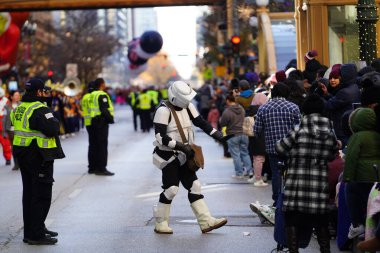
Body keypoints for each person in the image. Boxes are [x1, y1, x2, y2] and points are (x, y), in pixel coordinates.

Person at [152, 80, 227, 234]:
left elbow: (201, 123)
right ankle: (161, 222)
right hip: (168, 155)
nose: (187, 102)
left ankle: (206, 221)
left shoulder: (188, 106)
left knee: (195, 186)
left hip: (185, 155)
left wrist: (217, 135)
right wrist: (180, 146)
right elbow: (160, 137)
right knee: (171, 189)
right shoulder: (163, 110)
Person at [275, 94, 338, 253]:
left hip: (297, 187)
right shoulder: (330, 133)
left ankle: (294, 251)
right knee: (321, 222)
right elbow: (332, 155)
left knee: (292, 220)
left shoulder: (298, 130)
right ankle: (325, 250)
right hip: (319, 187)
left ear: (305, 110)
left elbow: (280, 148)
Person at [11, 78, 65, 245]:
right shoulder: (39, 109)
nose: (46, 94)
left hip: (23, 153)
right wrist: (52, 115)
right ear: (39, 92)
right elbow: (52, 129)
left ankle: (33, 229)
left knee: (29, 194)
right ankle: (36, 234)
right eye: (44, 91)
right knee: (41, 195)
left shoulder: (20, 107)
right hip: (38, 155)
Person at [254, 83, 301, 206]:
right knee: (292, 173)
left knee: (276, 174)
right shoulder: (293, 107)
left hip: (272, 148)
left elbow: (256, 130)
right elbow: (300, 128)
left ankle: (277, 201)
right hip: (291, 148)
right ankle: (291, 199)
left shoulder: (263, 109)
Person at [343, 107, 380, 239]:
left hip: (361, 177)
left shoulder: (357, 137)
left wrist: (347, 177)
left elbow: (351, 158)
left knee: (350, 193)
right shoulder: (377, 134)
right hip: (376, 177)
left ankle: (357, 225)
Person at [220, 92, 253, 179]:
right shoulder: (241, 109)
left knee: (236, 155)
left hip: (233, 135)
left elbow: (222, 123)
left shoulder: (227, 111)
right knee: (245, 153)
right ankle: (250, 172)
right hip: (244, 134)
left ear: (227, 100)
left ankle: (239, 173)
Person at [88, 78, 115, 176]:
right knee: (102, 146)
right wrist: (111, 119)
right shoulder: (101, 95)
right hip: (101, 123)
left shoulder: (92, 95)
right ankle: (102, 168)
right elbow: (104, 109)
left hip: (94, 121)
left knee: (95, 145)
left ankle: (95, 167)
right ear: (102, 84)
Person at [81, 81, 96, 174]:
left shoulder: (84, 97)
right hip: (94, 122)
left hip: (87, 122)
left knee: (91, 145)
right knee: (95, 146)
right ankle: (93, 166)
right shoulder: (92, 97)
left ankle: (91, 166)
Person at [5, 90, 21, 170]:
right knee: (14, 148)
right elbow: (5, 118)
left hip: (20, 130)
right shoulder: (7, 106)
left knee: (21, 147)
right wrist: (4, 131)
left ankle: (22, 163)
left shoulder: (22, 105)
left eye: (18, 95)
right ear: (11, 97)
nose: (17, 96)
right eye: (15, 95)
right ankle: (16, 164)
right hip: (11, 130)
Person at [0, 87, 12, 165]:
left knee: (5, 142)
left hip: (2, 122)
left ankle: (8, 158)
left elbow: (8, 113)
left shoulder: (6, 100)